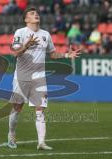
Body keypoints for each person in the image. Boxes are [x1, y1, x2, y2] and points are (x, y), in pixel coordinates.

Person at [8, 7, 81, 150]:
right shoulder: (20, 32)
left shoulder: (46, 34)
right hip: (22, 76)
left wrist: (66, 55)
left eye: (37, 13)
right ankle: (11, 134)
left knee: (40, 109)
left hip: (40, 77)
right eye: (32, 14)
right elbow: (15, 53)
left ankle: (41, 142)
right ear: (26, 19)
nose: (36, 15)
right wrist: (26, 45)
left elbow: (52, 54)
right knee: (17, 108)